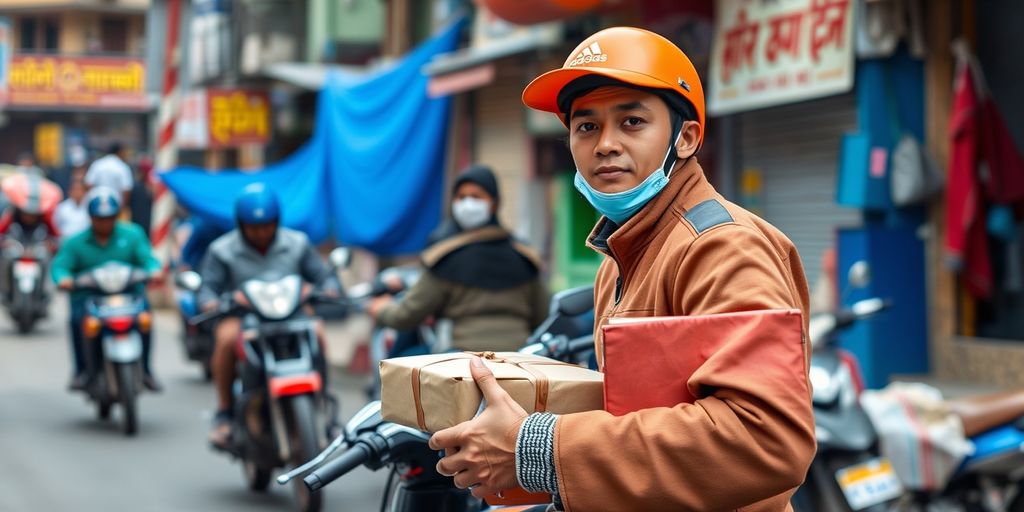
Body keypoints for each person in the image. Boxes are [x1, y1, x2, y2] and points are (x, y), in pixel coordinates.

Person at [427, 27, 815, 511]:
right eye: (586, 127)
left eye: (632, 121)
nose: (605, 144)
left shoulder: (722, 247)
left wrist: (536, 446)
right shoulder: (619, 255)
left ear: (687, 137)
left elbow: (766, 441)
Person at [199, 183, 342, 447]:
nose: (261, 233)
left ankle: (324, 407)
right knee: (226, 340)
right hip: (243, 316)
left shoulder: (297, 243)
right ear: (241, 225)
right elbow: (208, 288)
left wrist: (327, 288)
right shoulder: (222, 250)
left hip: (293, 314)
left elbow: (323, 276)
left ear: (276, 221)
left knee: (318, 333)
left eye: (267, 225)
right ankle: (224, 413)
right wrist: (212, 302)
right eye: (254, 227)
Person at [367, 165, 550, 354]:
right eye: (461, 197)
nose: (468, 204)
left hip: (463, 359)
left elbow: (406, 315)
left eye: (476, 197)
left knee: (402, 363)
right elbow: (544, 316)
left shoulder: (446, 257)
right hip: (520, 358)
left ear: (494, 203)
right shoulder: (524, 256)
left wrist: (380, 309)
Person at [51, 186, 162, 391]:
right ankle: (82, 371)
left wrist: (154, 270)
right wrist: (64, 279)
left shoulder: (132, 235)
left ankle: (146, 370)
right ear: (91, 218)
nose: (104, 223)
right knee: (77, 320)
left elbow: (148, 259)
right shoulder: (76, 242)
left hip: (128, 294)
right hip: (88, 297)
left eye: (109, 217)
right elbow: (60, 266)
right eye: (99, 218)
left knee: (145, 317)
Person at [85, 143, 133, 208]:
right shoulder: (123, 167)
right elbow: (126, 190)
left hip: (97, 204)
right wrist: (122, 208)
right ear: (120, 152)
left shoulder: (97, 164)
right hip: (115, 205)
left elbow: (88, 184)